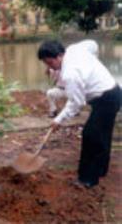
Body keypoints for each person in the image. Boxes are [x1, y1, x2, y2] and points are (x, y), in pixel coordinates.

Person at [37, 39, 121, 188]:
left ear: (59, 56)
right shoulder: (74, 49)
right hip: (113, 92)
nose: (49, 67)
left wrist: (59, 119)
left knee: (91, 136)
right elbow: (93, 44)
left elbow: (77, 103)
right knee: (102, 134)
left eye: (50, 63)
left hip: (106, 99)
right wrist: (91, 62)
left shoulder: (70, 74)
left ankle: (87, 180)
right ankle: (101, 169)